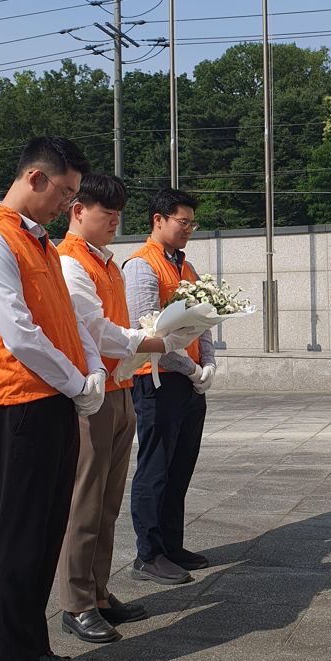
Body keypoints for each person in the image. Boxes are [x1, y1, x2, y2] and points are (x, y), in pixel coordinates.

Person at [0, 136, 106, 661]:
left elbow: (66, 319)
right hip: (18, 407)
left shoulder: (38, 242)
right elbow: (18, 333)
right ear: (37, 179)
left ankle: (36, 650)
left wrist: (90, 372)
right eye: (65, 192)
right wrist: (77, 382)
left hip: (55, 403)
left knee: (46, 534)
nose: (67, 205)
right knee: (20, 539)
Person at [56, 173, 209, 644]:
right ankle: (76, 603)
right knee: (84, 503)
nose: (114, 224)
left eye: (119, 215)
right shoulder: (71, 262)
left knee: (106, 504)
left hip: (119, 385)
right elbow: (98, 328)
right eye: (107, 214)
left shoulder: (104, 262)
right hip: (94, 393)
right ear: (78, 211)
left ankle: (100, 593)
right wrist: (155, 342)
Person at [123, 187, 216, 584]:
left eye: (192, 223)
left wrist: (207, 363)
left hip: (189, 382)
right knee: (155, 468)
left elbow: (206, 319)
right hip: (156, 380)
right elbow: (146, 329)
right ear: (158, 221)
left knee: (180, 468)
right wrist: (191, 369)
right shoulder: (141, 266)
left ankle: (172, 545)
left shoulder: (187, 267)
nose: (188, 229)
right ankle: (148, 553)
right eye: (182, 222)